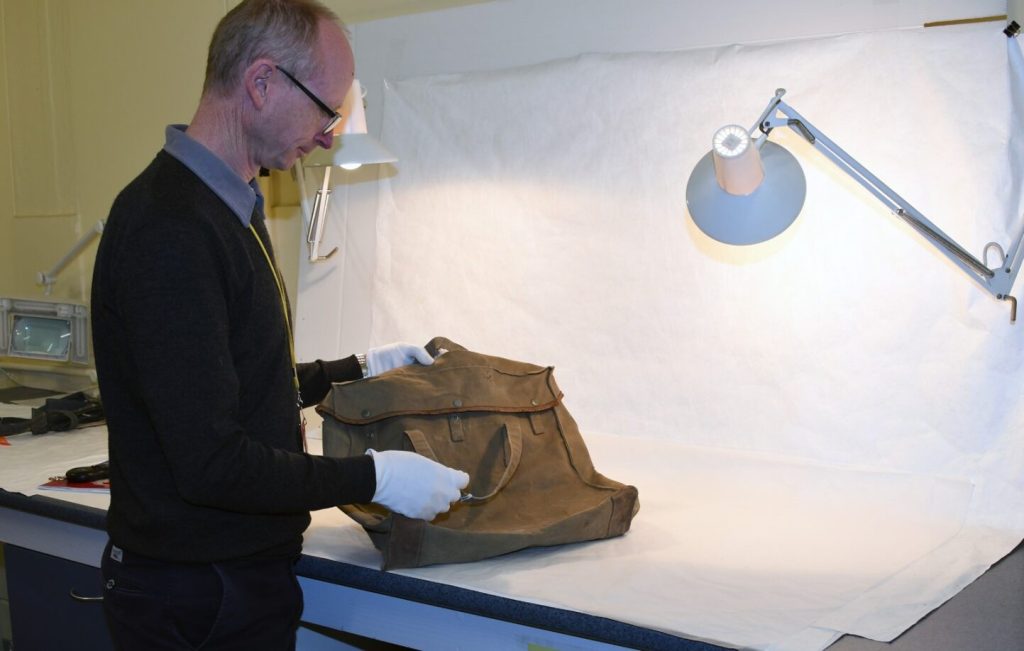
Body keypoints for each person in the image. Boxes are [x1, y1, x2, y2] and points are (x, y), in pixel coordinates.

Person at [90, 1, 469, 648]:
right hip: (193, 596)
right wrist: (374, 477)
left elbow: (234, 380)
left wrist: (357, 369)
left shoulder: (230, 206)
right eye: (326, 110)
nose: (329, 135)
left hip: (236, 577)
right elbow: (211, 462)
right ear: (261, 83)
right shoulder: (170, 229)